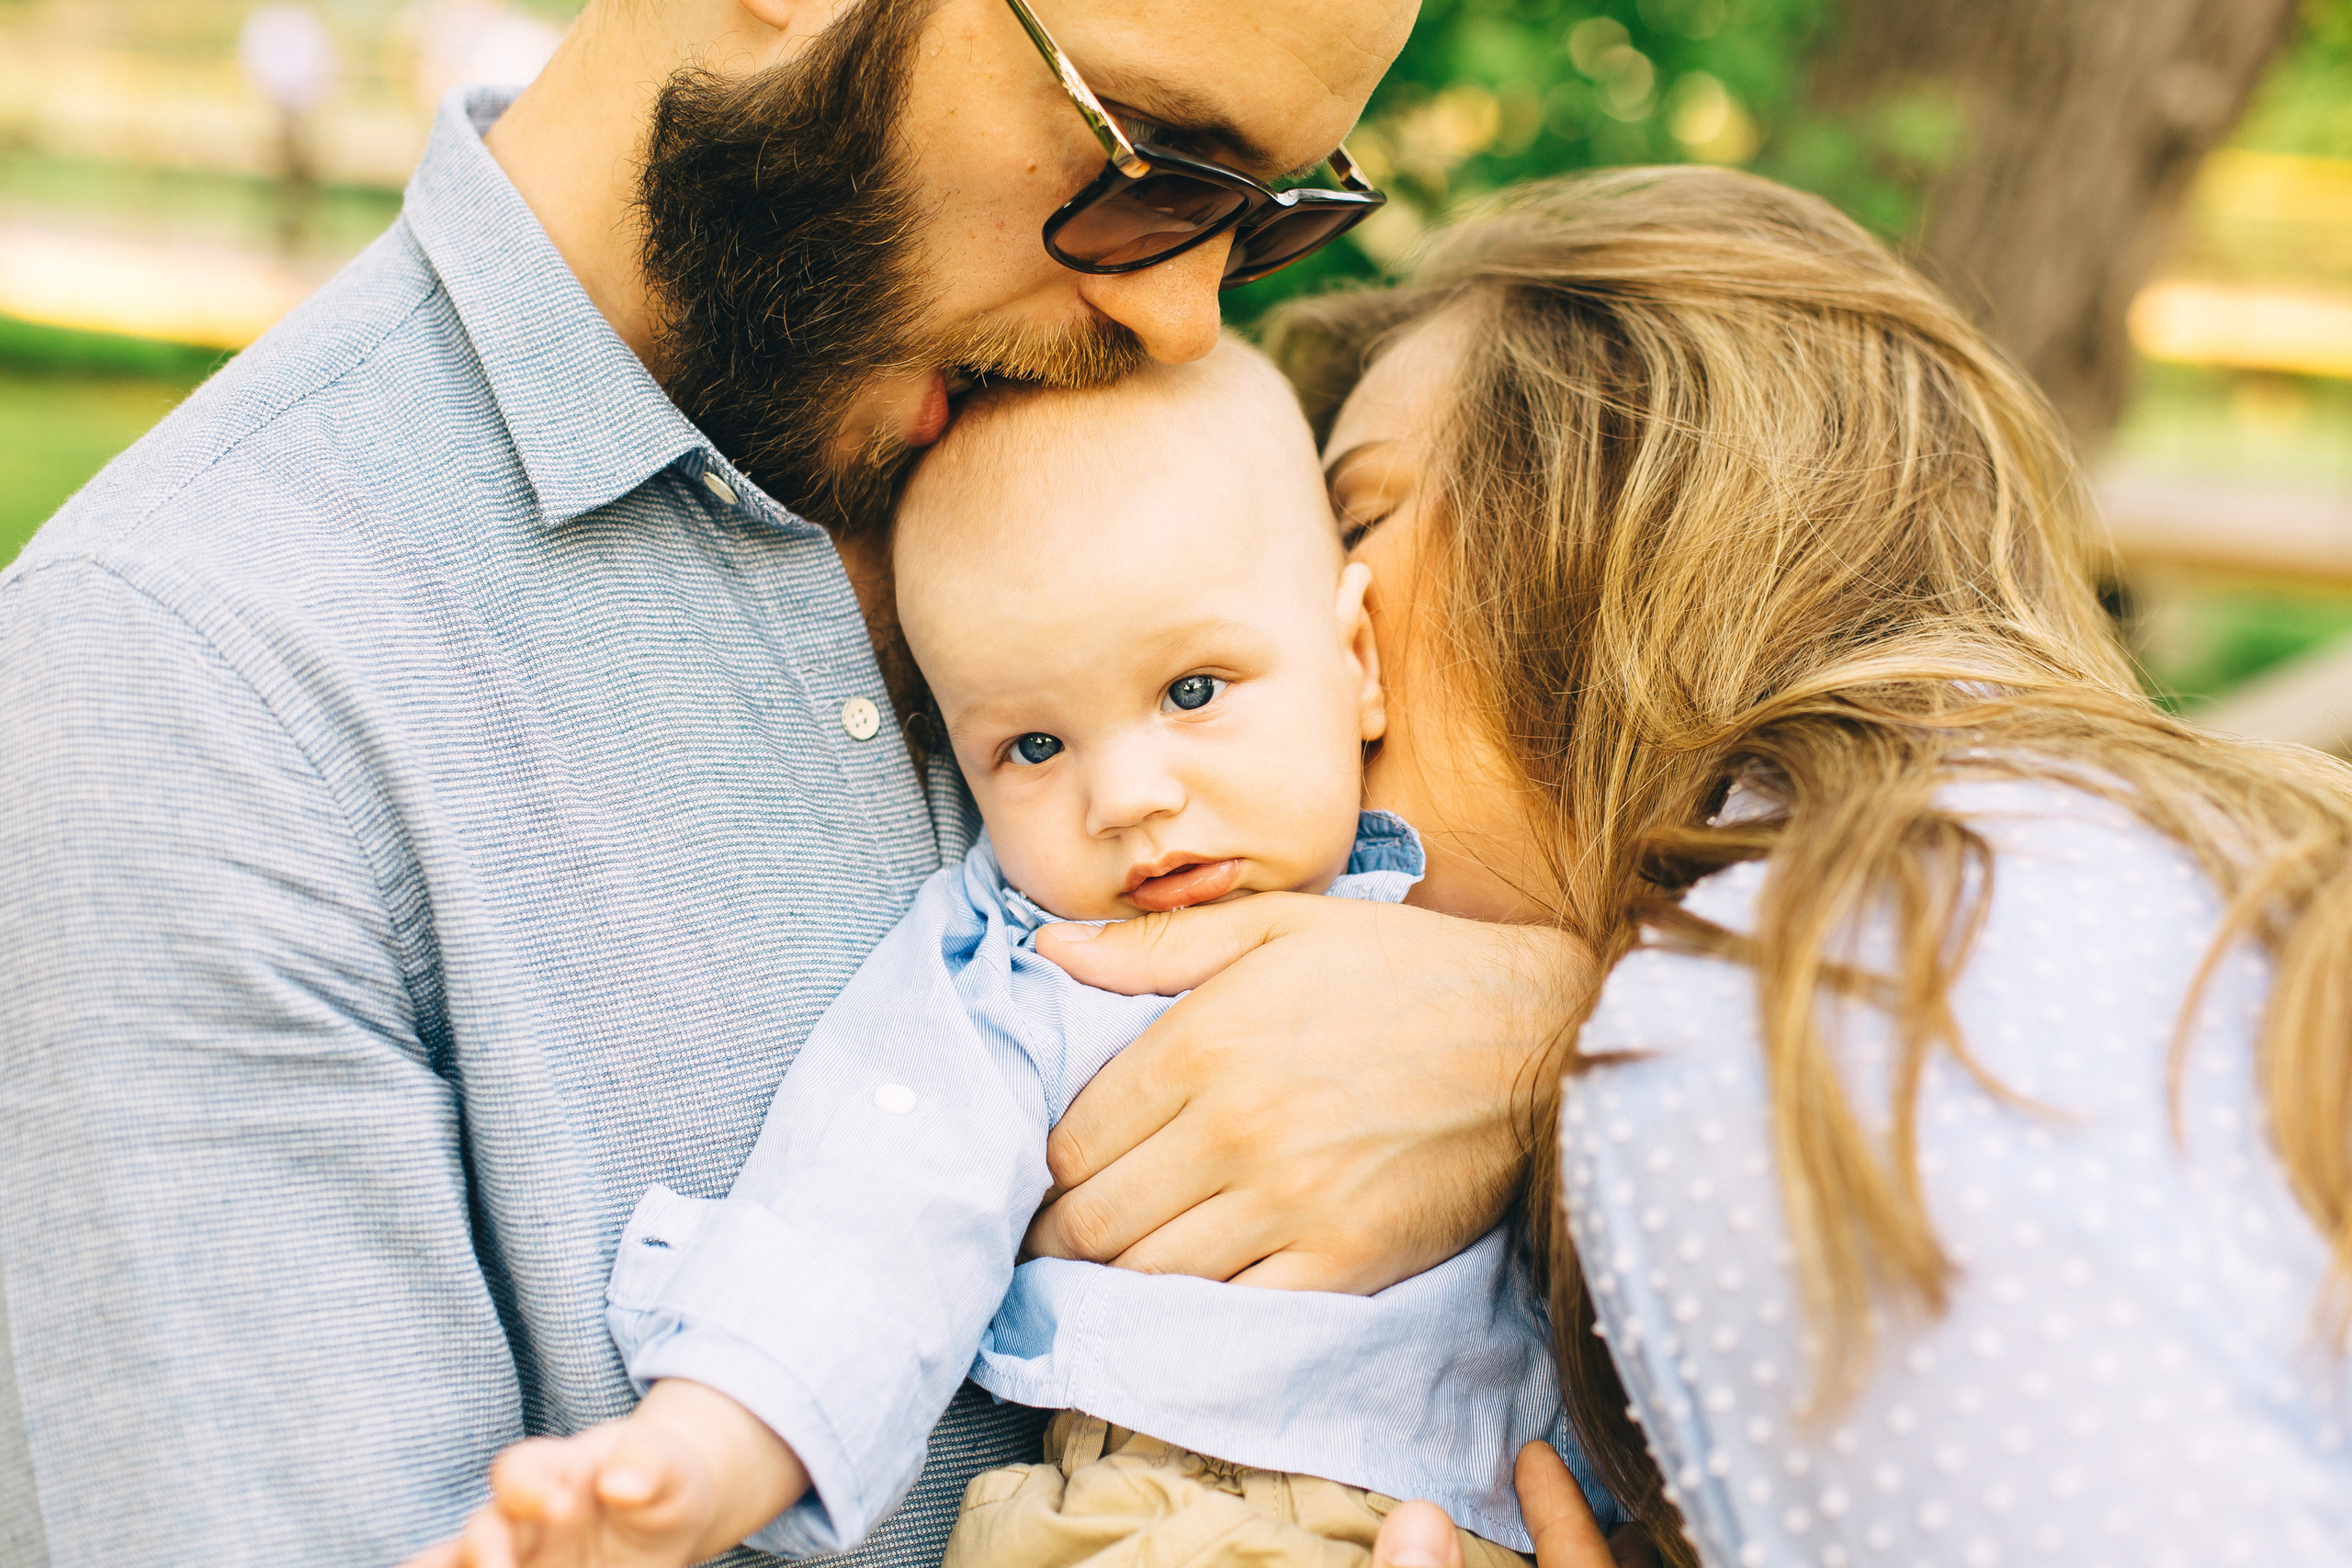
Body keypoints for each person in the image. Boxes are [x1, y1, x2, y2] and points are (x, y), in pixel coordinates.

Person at [0, 0, 1613, 1560]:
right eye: (1151, 159)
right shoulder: (184, 685)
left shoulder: (1182, 443)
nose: (1189, 314)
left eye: (1260, 219)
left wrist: (1564, 1031)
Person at [1265, 164, 2352, 1563]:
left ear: (1603, 503)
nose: (1310, 626)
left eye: (1359, 523)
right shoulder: (2216, 844)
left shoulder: (1777, 1019)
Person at [414, 336, 1613, 1567]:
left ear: (1355, 661)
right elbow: (879, 1210)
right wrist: (699, 1457)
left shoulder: (1477, 905)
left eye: (1195, 690)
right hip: (1178, 1521)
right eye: (1034, 749)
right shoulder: (1037, 967)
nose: (1130, 797)